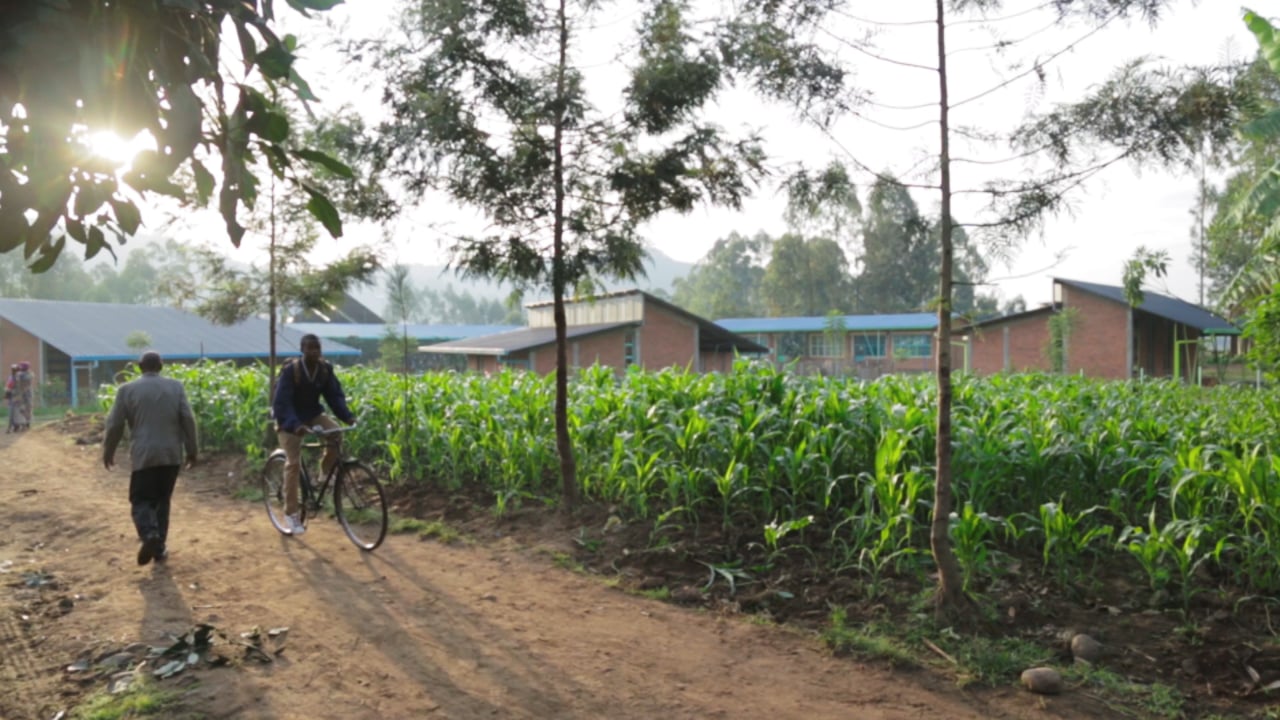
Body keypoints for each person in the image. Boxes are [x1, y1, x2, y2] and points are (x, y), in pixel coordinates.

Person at [102, 352, 198, 566]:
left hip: (144, 455)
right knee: (163, 501)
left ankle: (149, 535)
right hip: (171, 454)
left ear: (139, 367)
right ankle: (159, 548)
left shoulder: (126, 390)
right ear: (161, 366)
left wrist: (108, 451)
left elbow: (115, 424)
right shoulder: (176, 387)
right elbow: (188, 419)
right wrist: (192, 449)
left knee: (141, 500)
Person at [271, 334, 355, 536]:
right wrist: (294, 425)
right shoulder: (292, 371)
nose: (314, 352)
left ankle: (324, 472)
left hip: (313, 415)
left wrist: (348, 417)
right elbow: (281, 403)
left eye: (317, 348)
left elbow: (334, 396)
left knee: (335, 435)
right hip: (289, 421)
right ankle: (291, 514)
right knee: (293, 463)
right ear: (302, 350)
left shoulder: (324, 370)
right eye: (310, 348)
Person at [13, 361, 33, 431]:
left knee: (27, 409)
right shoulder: (20, 374)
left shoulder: (29, 375)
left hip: (26, 394)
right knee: (20, 409)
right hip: (22, 394)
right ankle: (22, 424)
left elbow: (25, 384)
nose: (20, 368)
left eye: (22, 367)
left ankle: (26, 424)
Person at [5, 364, 17, 433]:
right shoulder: (16, 377)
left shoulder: (13, 377)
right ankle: (15, 426)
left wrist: (7, 391)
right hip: (16, 397)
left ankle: (10, 427)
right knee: (15, 412)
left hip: (14, 396)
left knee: (12, 412)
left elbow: (9, 387)